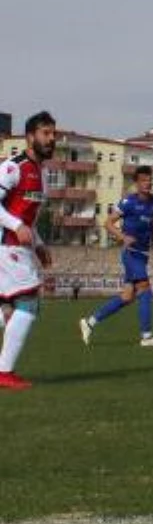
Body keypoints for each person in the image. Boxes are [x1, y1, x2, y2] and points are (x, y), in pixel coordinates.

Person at [79, 165, 153, 347]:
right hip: (131, 253)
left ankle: (90, 322)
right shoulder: (128, 202)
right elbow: (108, 223)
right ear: (136, 183)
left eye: (149, 179)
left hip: (143, 253)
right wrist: (123, 237)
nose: (148, 183)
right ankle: (147, 337)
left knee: (127, 297)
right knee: (145, 289)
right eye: (143, 180)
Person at [0, 111, 58, 389]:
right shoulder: (14, 167)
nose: (51, 139)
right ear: (30, 136)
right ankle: (4, 373)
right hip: (5, 245)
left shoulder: (42, 175)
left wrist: (39, 244)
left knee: (12, 310)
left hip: (19, 246)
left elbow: (28, 220)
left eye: (53, 134)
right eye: (45, 134)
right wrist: (16, 226)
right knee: (29, 303)